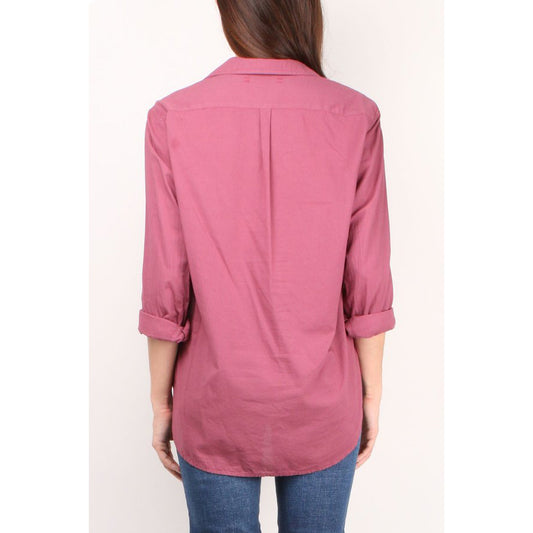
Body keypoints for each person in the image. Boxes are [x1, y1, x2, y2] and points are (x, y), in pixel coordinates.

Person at [138, 0, 395, 530]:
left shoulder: (172, 117)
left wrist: (161, 402)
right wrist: (370, 392)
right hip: (324, 402)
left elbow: (166, 278)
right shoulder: (355, 116)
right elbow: (367, 275)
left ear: (231, 14)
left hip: (215, 401)